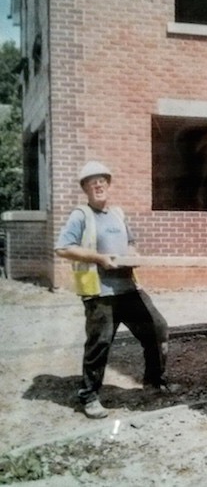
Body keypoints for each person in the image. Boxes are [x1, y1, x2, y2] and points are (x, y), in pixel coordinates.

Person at [55, 161, 169, 419]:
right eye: (92, 182)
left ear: (108, 185)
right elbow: (63, 248)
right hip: (100, 293)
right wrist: (98, 258)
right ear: (85, 188)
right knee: (100, 344)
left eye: (102, 181)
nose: (98, 185)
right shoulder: (81, 215)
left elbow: (131, 242)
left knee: (157, 328)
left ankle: (154, 382)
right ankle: (89, 396)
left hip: (128, 289)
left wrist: (133, 255)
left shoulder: (118, 214)